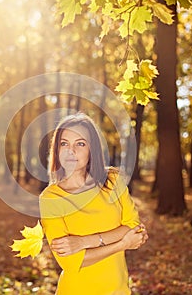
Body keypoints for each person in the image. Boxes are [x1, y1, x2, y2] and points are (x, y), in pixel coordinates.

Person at [39, 112, 148, 295]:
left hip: (118, 290)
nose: (71, 151)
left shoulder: (112, 180)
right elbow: (71, 262)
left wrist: (83, 242)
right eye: (64, 143)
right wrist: (122, 244)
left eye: (80, 144)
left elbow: (134, 226)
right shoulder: (50, 198)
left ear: (92, 149)